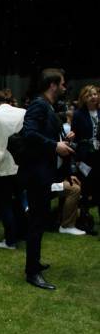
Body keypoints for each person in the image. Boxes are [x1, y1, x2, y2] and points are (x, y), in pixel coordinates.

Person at [21, 68, 75, 290]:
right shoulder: (39, 104)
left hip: (42, 173)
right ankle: (32, 272)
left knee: (39, 221)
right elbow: (29, 133)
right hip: (37, 175)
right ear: (52, 85)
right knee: (36, 223)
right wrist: (55, 145)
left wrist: (63, 139)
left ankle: (34, 264)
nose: (64, 88)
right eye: (62, 84)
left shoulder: (46, 106)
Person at [0, 89, 26, 249]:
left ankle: (10, 240)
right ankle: (22, 233)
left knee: (6, 204)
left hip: (3, 166)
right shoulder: (23, 112)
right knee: (19, 201)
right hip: (21, 164)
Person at [71, 85, 100, 222]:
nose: (93, 97)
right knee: (86, 188)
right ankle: (84, 219)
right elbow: (75, 138)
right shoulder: (78, 114)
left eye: (94, 94)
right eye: (89, 95)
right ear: (84, 98)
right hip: (85, 157)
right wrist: (77, 159)